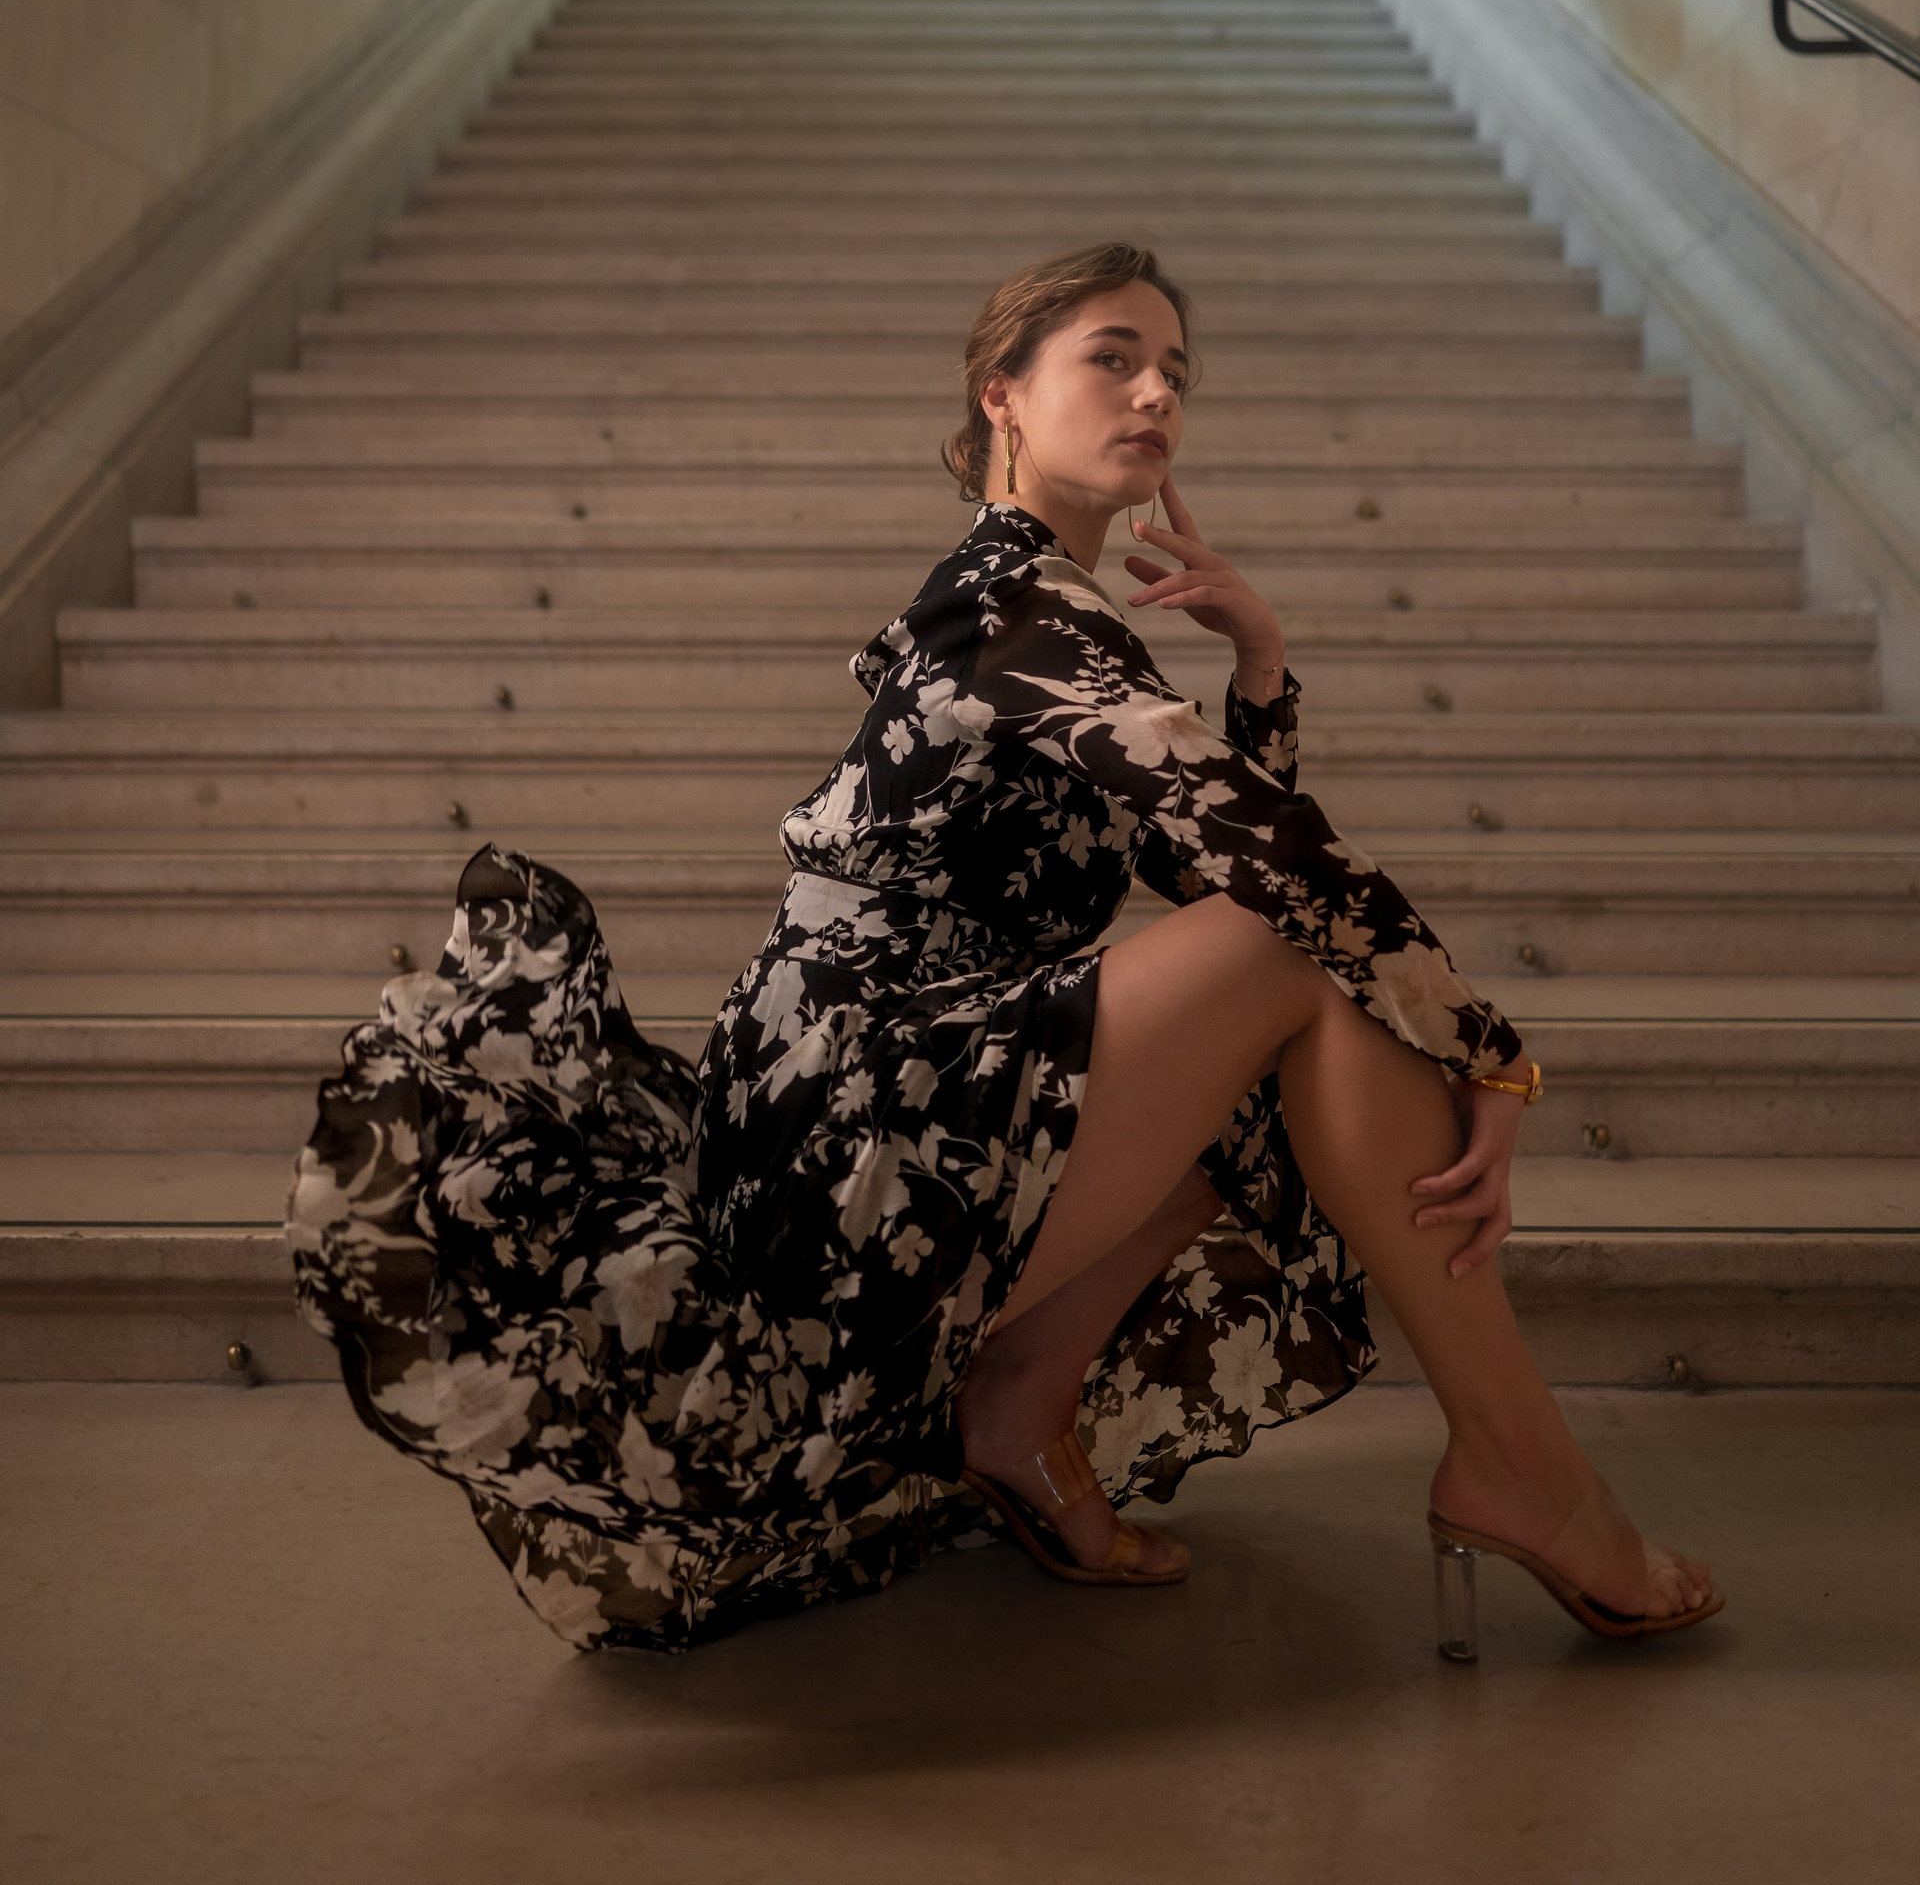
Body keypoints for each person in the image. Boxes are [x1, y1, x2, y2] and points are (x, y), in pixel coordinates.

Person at [291, 242, 1720, 1656]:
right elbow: (1273, 881)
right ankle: (1521, 1469)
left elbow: (1219, 862)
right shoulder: (1007, 603)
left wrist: (1261, 667)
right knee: (1306, 964)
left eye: (1176, 372)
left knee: (1307, 1003)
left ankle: (1026, 1407)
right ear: (1002, 394)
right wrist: (1490, 1051)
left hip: (915, 1077)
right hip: (848, 1120)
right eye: (1113, 358)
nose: (1156, 392)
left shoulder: (1063, 618)